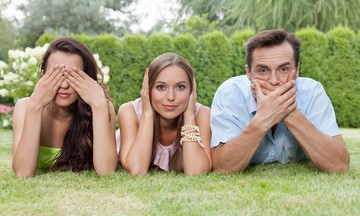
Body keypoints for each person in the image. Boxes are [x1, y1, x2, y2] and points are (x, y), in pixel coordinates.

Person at [210, 29, 350, 173]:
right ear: (249, 73)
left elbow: (339, 165)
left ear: (297, 70)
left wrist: (288, 111)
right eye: (263, 71)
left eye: (283, 69)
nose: (274, 80)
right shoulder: (230, 94)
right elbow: (222, 167)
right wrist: (263, 119)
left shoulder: (313, 92)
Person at [12, 37, 118, 178]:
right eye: (57, 75)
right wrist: (35, 107)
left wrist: (98, 106)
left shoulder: (101, 106)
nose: (64, 85)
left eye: (73, 76)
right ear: (43, 73)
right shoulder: (25, 107)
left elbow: (106, 172)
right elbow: (22, 173)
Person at [117, 53, 211, 175]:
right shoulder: (129, 111)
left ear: (192, 90)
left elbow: (195, 172)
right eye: (161, 87)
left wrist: (189, 116)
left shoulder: (202, 114)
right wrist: (147, 114)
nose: (171, 97)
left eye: (180, 87)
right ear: (148, 87)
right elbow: (137, 170)